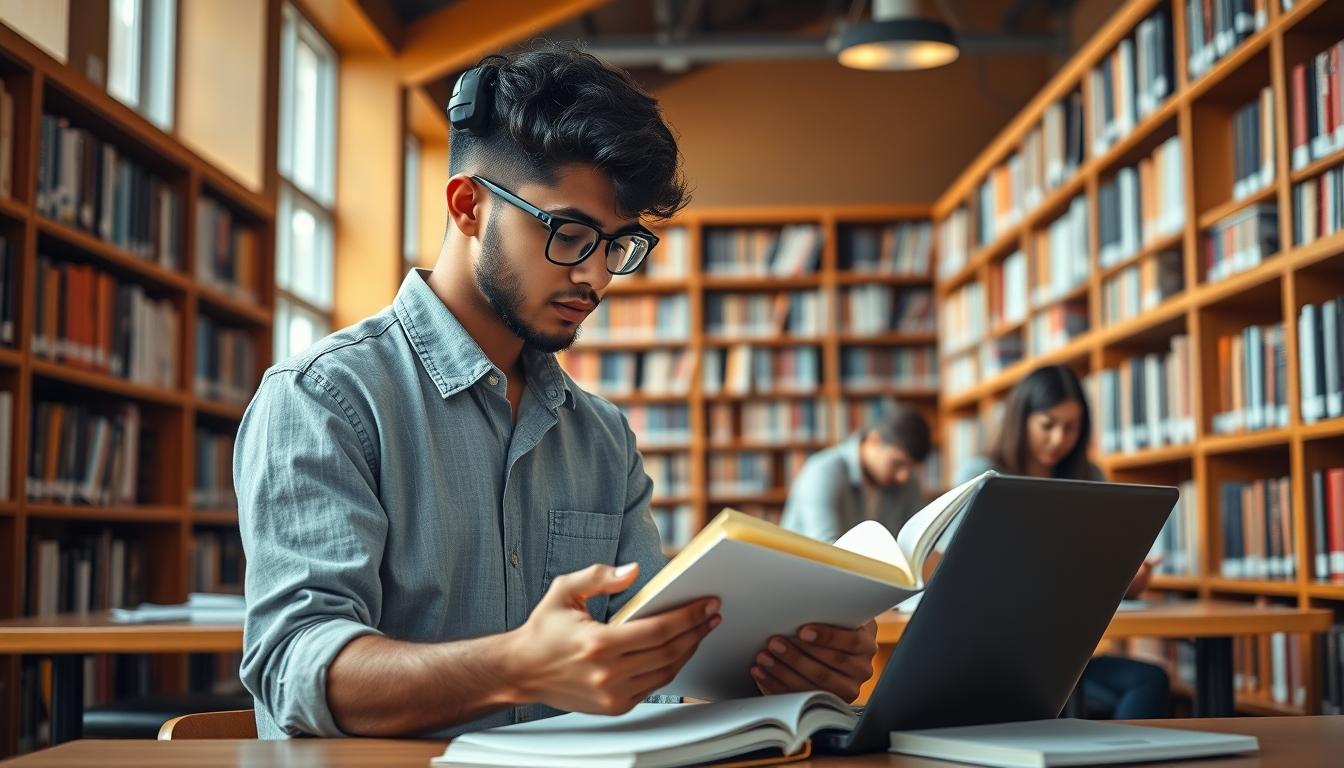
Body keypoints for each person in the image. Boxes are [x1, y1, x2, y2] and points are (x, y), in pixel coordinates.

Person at [234, 47, 878, 740]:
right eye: (570, 235)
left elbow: (652, 665)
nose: (596, 276)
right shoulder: (324, 400)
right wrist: (516, 667)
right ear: (468, 206)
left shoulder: (601, 437)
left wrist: (779, 666)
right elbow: (295, 670)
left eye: (617, 245)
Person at [954, 364, 1170, 719]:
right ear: (1022, 420)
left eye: (1071, 428)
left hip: (1067, 653)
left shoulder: (1091, 476)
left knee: (1150, 681)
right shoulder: (982, 474)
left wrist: (1130, 580)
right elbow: (959, 571)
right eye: (1047, 425)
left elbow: (1099, 569)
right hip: (997, 653)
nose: (1058, 439)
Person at [780, 402, 932, 543]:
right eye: (897, 463)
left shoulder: (905, 483)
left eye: (911, 468)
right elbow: (827, 553)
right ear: (874, 440)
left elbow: (926, 538)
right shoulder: (822, 473)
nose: (903, 476)